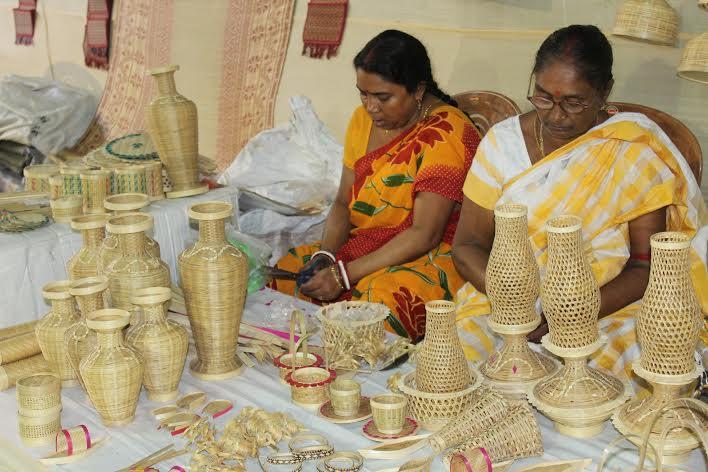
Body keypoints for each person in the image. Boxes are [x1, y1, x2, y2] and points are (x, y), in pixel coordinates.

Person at [452, 25, 707, 380]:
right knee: (455, 363)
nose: (556, 115)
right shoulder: (502, 143)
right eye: (542, 97)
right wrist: (517, 303)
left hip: (609, 305)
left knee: (630, 366)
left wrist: (571, 313)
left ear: (605, 92)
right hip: (506, 296)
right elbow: (468, 244)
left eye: (574, 102)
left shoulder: (633, 148)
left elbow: (645, 267)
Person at [270, 30, 481, 341]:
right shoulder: (362, 120)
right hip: (370, 243)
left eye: (383, 97)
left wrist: (344, 275)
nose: (370, 107)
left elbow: (426, 233)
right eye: (363, 94)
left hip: (433, 252)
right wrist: (327, 257)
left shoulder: (446, 132)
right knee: (289, 274)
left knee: (377, 309)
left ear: (418, 90)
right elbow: (343, 201)